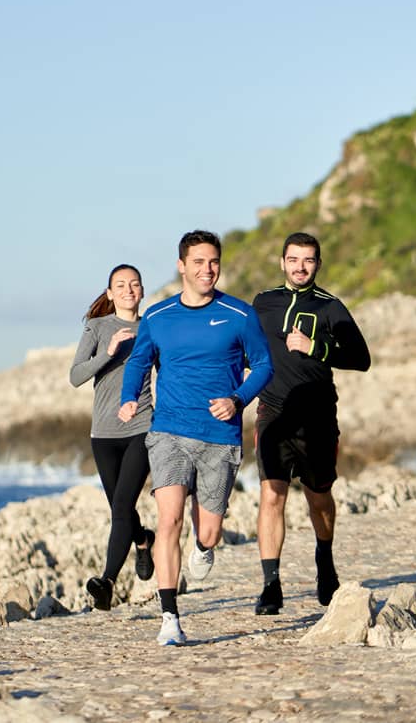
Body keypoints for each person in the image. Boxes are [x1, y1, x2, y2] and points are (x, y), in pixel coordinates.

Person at [117, 229, 273, 646]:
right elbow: (139, 361)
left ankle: (204, 549)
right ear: (182, 266)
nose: (208, 269)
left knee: (208, 532)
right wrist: (130, 397)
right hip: (168, 431)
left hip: (219, 436)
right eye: (199, 262)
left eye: (214, 262)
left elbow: (262, 366)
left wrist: (238, 400)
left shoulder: (240, 315)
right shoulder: (158, 315)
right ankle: (169, 617)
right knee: (167, 520)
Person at [249, 232, 371, 615]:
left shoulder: (331, 306)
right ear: (282, 261)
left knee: (318, 496)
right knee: (272, 494)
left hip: (317, 415)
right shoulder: (263, 303)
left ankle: (325, 558)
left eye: (308, 260)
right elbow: (243, 347)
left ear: (318, 264)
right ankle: (271, 584)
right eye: (293, 259)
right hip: (272, 411)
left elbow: (361, 358)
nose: (300, 267)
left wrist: (315, 347)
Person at [69, 264, 156, 611]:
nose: (128, 289)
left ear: (142, 290)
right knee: (121, 506)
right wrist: (109, 352)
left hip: (142, 426)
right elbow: (76, 376)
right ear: (109, 293)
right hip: (103, 433)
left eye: (134, 284)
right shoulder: (97, 327)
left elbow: (172, 368)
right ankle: (143, 540)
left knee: (121, 506)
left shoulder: (153, 327)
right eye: (120, 285)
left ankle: (106, 581)